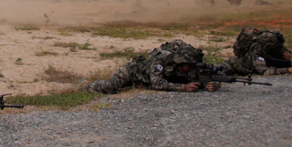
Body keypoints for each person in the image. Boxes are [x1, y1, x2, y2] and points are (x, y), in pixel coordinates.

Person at [87, 40, 220, 94]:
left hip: (145, 82)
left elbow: (212, 76)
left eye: (191, 66)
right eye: (187, 67)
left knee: (124, 90)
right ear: (179, 63)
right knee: (109, 87)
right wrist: (183, 87)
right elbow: (157, 83)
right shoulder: (161, 59)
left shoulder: (190, 64)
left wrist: (214, 85)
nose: (190, 70)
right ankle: (86, 85)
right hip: (133, 73)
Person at [218, 29, 292, 76]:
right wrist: (287, 70)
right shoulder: (257, 50)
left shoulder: (275, 44)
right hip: (237, 67)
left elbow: (284, 58)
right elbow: (264, 72)